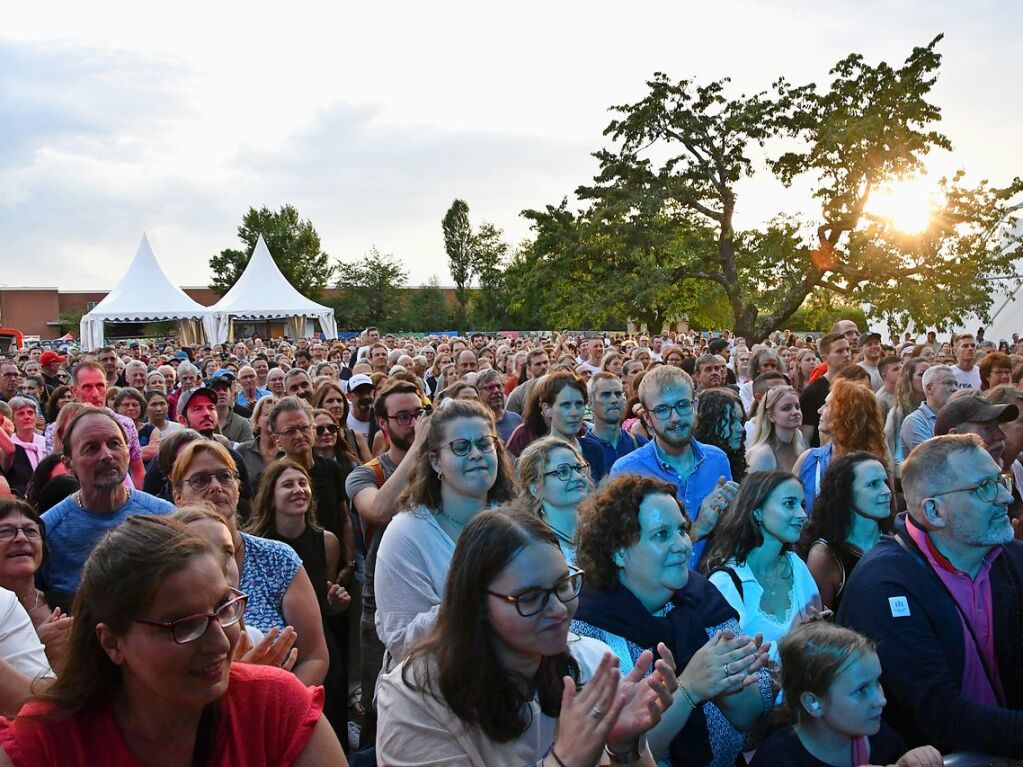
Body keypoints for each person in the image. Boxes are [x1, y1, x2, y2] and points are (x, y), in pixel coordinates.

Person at [0, 515, 346, 764]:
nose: (220, 644)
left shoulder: (274, 706)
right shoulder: (49, 741)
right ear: (112, 643)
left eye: (223, 608)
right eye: (183, 625)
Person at [377, 507, 676, 766]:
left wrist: (623, 746)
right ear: (477, 603)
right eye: (531, 597)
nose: (560, 609)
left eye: (564, 584)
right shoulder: (415, 697)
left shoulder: (591, 663)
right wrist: (564, 760)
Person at [837, 434, 1023, 755]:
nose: (1006, 498)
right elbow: (940, 715)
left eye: (1001, 481)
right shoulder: (883, 586)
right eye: (984, 488)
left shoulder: (1012, 558)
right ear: (934, 511)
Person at [571, 475, 773, 767]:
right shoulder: (588, 632)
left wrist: (729, 685)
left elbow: (750, 717)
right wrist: (690, 688)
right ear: (618, 552)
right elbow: (613, 757)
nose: (682, 544)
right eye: (661, 534)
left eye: (681, 529)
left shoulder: (703, 598)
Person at [170, 439, 330, 688]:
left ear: (237, 488)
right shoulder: (165, 569)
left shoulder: (278, 558)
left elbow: (314, 657)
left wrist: (274, 707)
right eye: (200, 480)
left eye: (225, 477)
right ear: (178, 496)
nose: (215, 487)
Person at [374, 400, 516, 666]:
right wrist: (475, 595)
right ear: (436, 462)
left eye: (485, 444)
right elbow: (403, 642)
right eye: (461, 447)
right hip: (434, 689)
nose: (476, 454)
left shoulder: (513, 521)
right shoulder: (405, 534)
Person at [345, 379, 428, 748]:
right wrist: (421, 447)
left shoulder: (441, 466)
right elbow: (378, 510)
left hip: (432, 601)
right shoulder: (364, 474)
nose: (413, 424)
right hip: (382, 611)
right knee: (381, 707)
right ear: (383, 424)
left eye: (419, 414)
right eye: (403, 417)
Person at [248, 459, 352, 746]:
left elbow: (324, 605)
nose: (298, 490)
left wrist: (335, 604)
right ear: (271, 498)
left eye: (302, 483)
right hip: (274, 656)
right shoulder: (257, 545)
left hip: (319, 648)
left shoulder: (327, 542)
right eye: (288, 485)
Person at [750, 622, 942, 767]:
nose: (881, 700)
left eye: (877, 682)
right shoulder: (776, 759)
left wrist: (907, 761)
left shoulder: (878, 736)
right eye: (861, 690)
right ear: (814, 703)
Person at [38, 408, 174, 608]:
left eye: (114, 443)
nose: (107, 455)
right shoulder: (47, 530)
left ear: (128, 451)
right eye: (91, 448)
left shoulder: (164, 517)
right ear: (69, 464)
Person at [609, 365, 738, 564]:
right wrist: (697, 530)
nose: (675, 418)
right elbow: (625, 553)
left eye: (683, 405)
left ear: (694, 406)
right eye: (662, 410)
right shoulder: (626, 471)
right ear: (647, 418)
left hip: (711, 587)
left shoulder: (717, 460)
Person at [702, 471, 822, 663]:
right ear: (757, 511)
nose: (802, 515)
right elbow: (732, 663)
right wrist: (798, 640)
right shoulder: (725, 582)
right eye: (789, 503)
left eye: (802, 505)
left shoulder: (796, 565)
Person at [799, 451, 894, 611]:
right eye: (873, 484)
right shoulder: (825, 555)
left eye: (885, 482)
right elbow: (821, 625)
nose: (887, 491)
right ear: (846, 493)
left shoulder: (894, 540)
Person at [795, 379, 890, 514]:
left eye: (827, 405)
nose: (819, 410)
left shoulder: (875, 468)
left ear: (845, 414)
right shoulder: (809, 460)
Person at [0, 499, 70, 675]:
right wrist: (40, 647)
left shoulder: (73, 606)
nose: (21, 538)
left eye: (31, 531)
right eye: (5, 532)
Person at [517, 436, 593, 564]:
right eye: (562, 472)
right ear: (535, 487)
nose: (577, 477)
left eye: (578, 468)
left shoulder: (601, 531)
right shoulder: (530, 547)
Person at [587, 372, 646, 480]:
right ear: (590, 402)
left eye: (618, 394)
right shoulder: (581, 450)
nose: (614, 400)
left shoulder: (641, 444)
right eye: (606, 395)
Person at [800, 333, 852, 447]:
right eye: (839, 351)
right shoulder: (811, 393)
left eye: (848, 349)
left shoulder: (857, 386)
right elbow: (805, 439)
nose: (847, 354)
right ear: (825, 358)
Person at [899, 364, 957, 456]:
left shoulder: (958, 417)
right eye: (948, 383)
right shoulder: (915, 421)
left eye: (956, 384)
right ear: (929, 388)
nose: (955, 388)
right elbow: (930, 459)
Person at [692, 387, 747, 483]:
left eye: (740, 421)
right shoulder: (695, 466)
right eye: (731, 421)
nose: (741, 428)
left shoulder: (736, 463)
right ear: (711, 423)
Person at [746, 385, 805, 473]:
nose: (796, 412)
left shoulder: (799, 448)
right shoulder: (764, 454)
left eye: (797, 407)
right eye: (786, 408)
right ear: (770, 416)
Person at [312, 381, 371, 463]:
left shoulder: (353, 437)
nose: (336, 405)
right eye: (330, 401)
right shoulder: (311, 437)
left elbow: (371, 470)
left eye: (339, 400)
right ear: (319, 404)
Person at [113, 387, 160, 464]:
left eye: (135, 405)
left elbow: (154, 450)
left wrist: (122, 455)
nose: (131, 408)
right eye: (126, 405)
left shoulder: (151, 430)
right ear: (117, 408)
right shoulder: (113, 430)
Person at [476, 368, 521, 444]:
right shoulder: (477, 424)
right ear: (478, 392)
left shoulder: (516, 419)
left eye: (499, 386)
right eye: (490, 387)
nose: (496, 391)